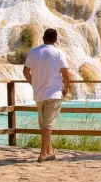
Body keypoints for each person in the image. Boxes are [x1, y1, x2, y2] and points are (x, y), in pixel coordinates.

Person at [23, 28, 70, 163]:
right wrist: (65, 88)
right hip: (54, 93)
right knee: (47, 125)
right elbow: (66, 74)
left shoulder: (33, 52)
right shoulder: (58, 53)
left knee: (44, 124)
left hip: (39, 94)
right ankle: (43, 154)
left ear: (43, 38)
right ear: (55, 39)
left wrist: (33, 84)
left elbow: (26, 71)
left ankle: (50, 150)